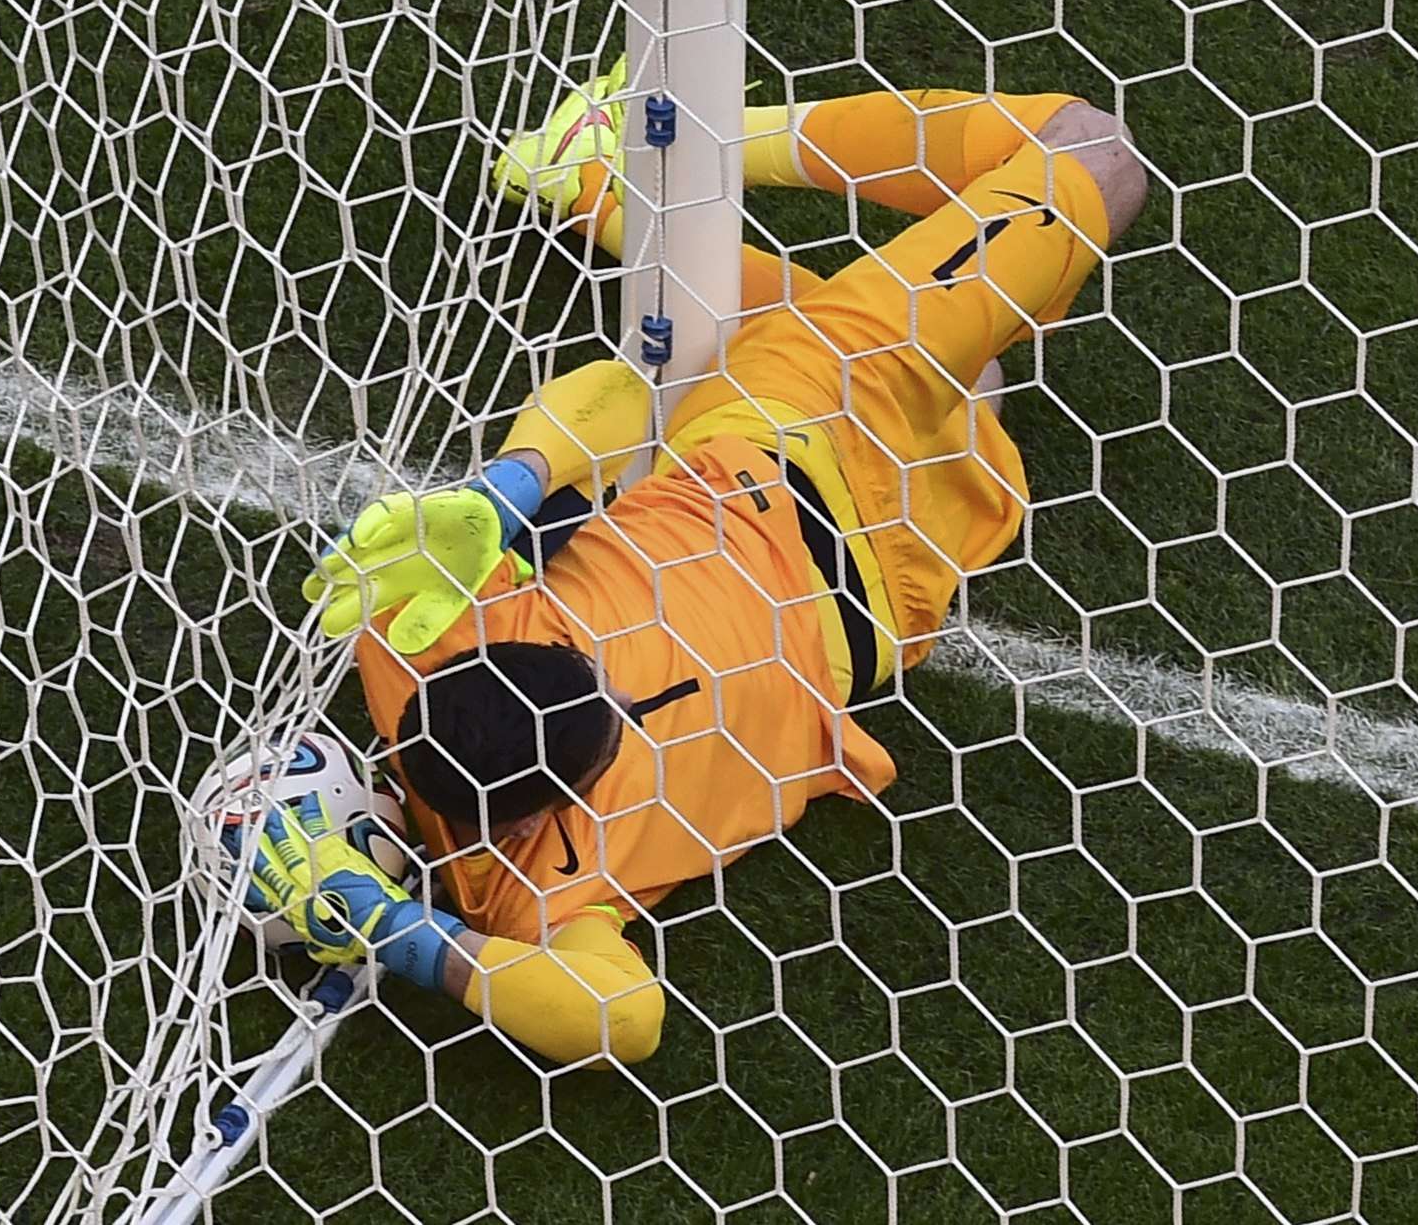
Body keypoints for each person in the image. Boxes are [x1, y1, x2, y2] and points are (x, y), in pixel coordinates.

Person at [234, 62, 1150, 1068]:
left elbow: (621, 398)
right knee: (985, 366)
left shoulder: (416, 637)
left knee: (1090, 154)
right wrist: (406, 936)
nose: (624, 690)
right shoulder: (536, 899)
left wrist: (512, 482)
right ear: (552, 798)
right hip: (896, 590)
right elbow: (620, 1020)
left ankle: (677, 154)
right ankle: (598, 183)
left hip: (793, 413)